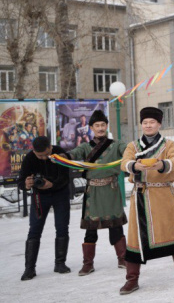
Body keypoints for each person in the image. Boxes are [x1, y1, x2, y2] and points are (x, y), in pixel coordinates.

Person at [120, 107, 174, 294]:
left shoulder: (168, 144)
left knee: (173, 231)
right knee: (135, 238)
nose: (148, 125)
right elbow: (124, 162)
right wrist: (134, 166)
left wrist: (163, 164)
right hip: (140, 197)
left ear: (159, 124)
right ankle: (132, 279)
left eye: (152, 122)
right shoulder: (133, 146)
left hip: (164, 196)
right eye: (145, 122)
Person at [65, 110, 128, 276]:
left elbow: (127, 151)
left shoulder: (116, 145)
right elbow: (75, 154)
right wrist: (64, 156)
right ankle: (88, 263)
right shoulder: (85, 147)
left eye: (103, 125)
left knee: (116, 226)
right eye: (97, 125)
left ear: (107, 126)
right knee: (90, 230)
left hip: (111, 190)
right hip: (92, 192)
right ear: (91, 128)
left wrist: (134, 150)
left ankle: (123, 258)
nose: (100, 128)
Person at [18, 136, 71, 280]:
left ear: (50, 147)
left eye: (45, 155)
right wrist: (26, 184)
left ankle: (60, 263)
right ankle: (29, 268)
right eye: (39, 155)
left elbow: (66, 177)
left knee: (62, 227)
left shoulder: (60, 153)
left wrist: (52, 184)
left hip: (60, 194)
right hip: (39, 197)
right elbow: (21, 180)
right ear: (33, 151)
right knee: (34, 230)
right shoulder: (29, 158)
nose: (42, 158)